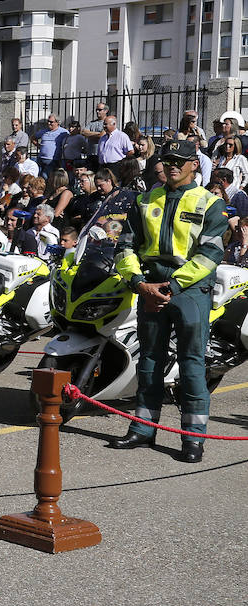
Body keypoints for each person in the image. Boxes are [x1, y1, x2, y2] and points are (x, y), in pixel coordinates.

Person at [111, 140, 226, 464]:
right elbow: (124, 245)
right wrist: (139, 284)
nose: (173, 165)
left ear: (194, 165)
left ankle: (193, 439)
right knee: (148, 361)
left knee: (191, 366)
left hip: (188, 292)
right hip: (150, 288)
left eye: (181, 160)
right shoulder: (145, 200)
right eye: (168, 160)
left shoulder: (210, 203)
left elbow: (210, 255)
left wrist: (171, 285)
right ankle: (144, 430)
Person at [35, 114, 67, 178]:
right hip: (41, 159)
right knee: (40, 178)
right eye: (48, 121)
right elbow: (33, 137)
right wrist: (38, 146)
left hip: (53, 160)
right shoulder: (43, 131)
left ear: (57, 122)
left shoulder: (63, 132)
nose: (49, 123)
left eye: (51, 122)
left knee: (48, 178)